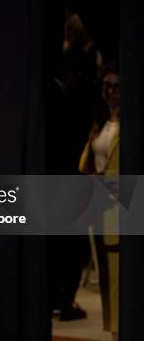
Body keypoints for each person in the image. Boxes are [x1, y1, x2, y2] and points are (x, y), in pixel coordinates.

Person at [79, 61, 119, 341]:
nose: (110, 92)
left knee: (120, 282)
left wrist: (103, 179)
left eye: (116, 86)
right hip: (100, 208)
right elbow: (86, 164)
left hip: (123, 206)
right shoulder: (101, 123)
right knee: (108, 281)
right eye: (106, 86)